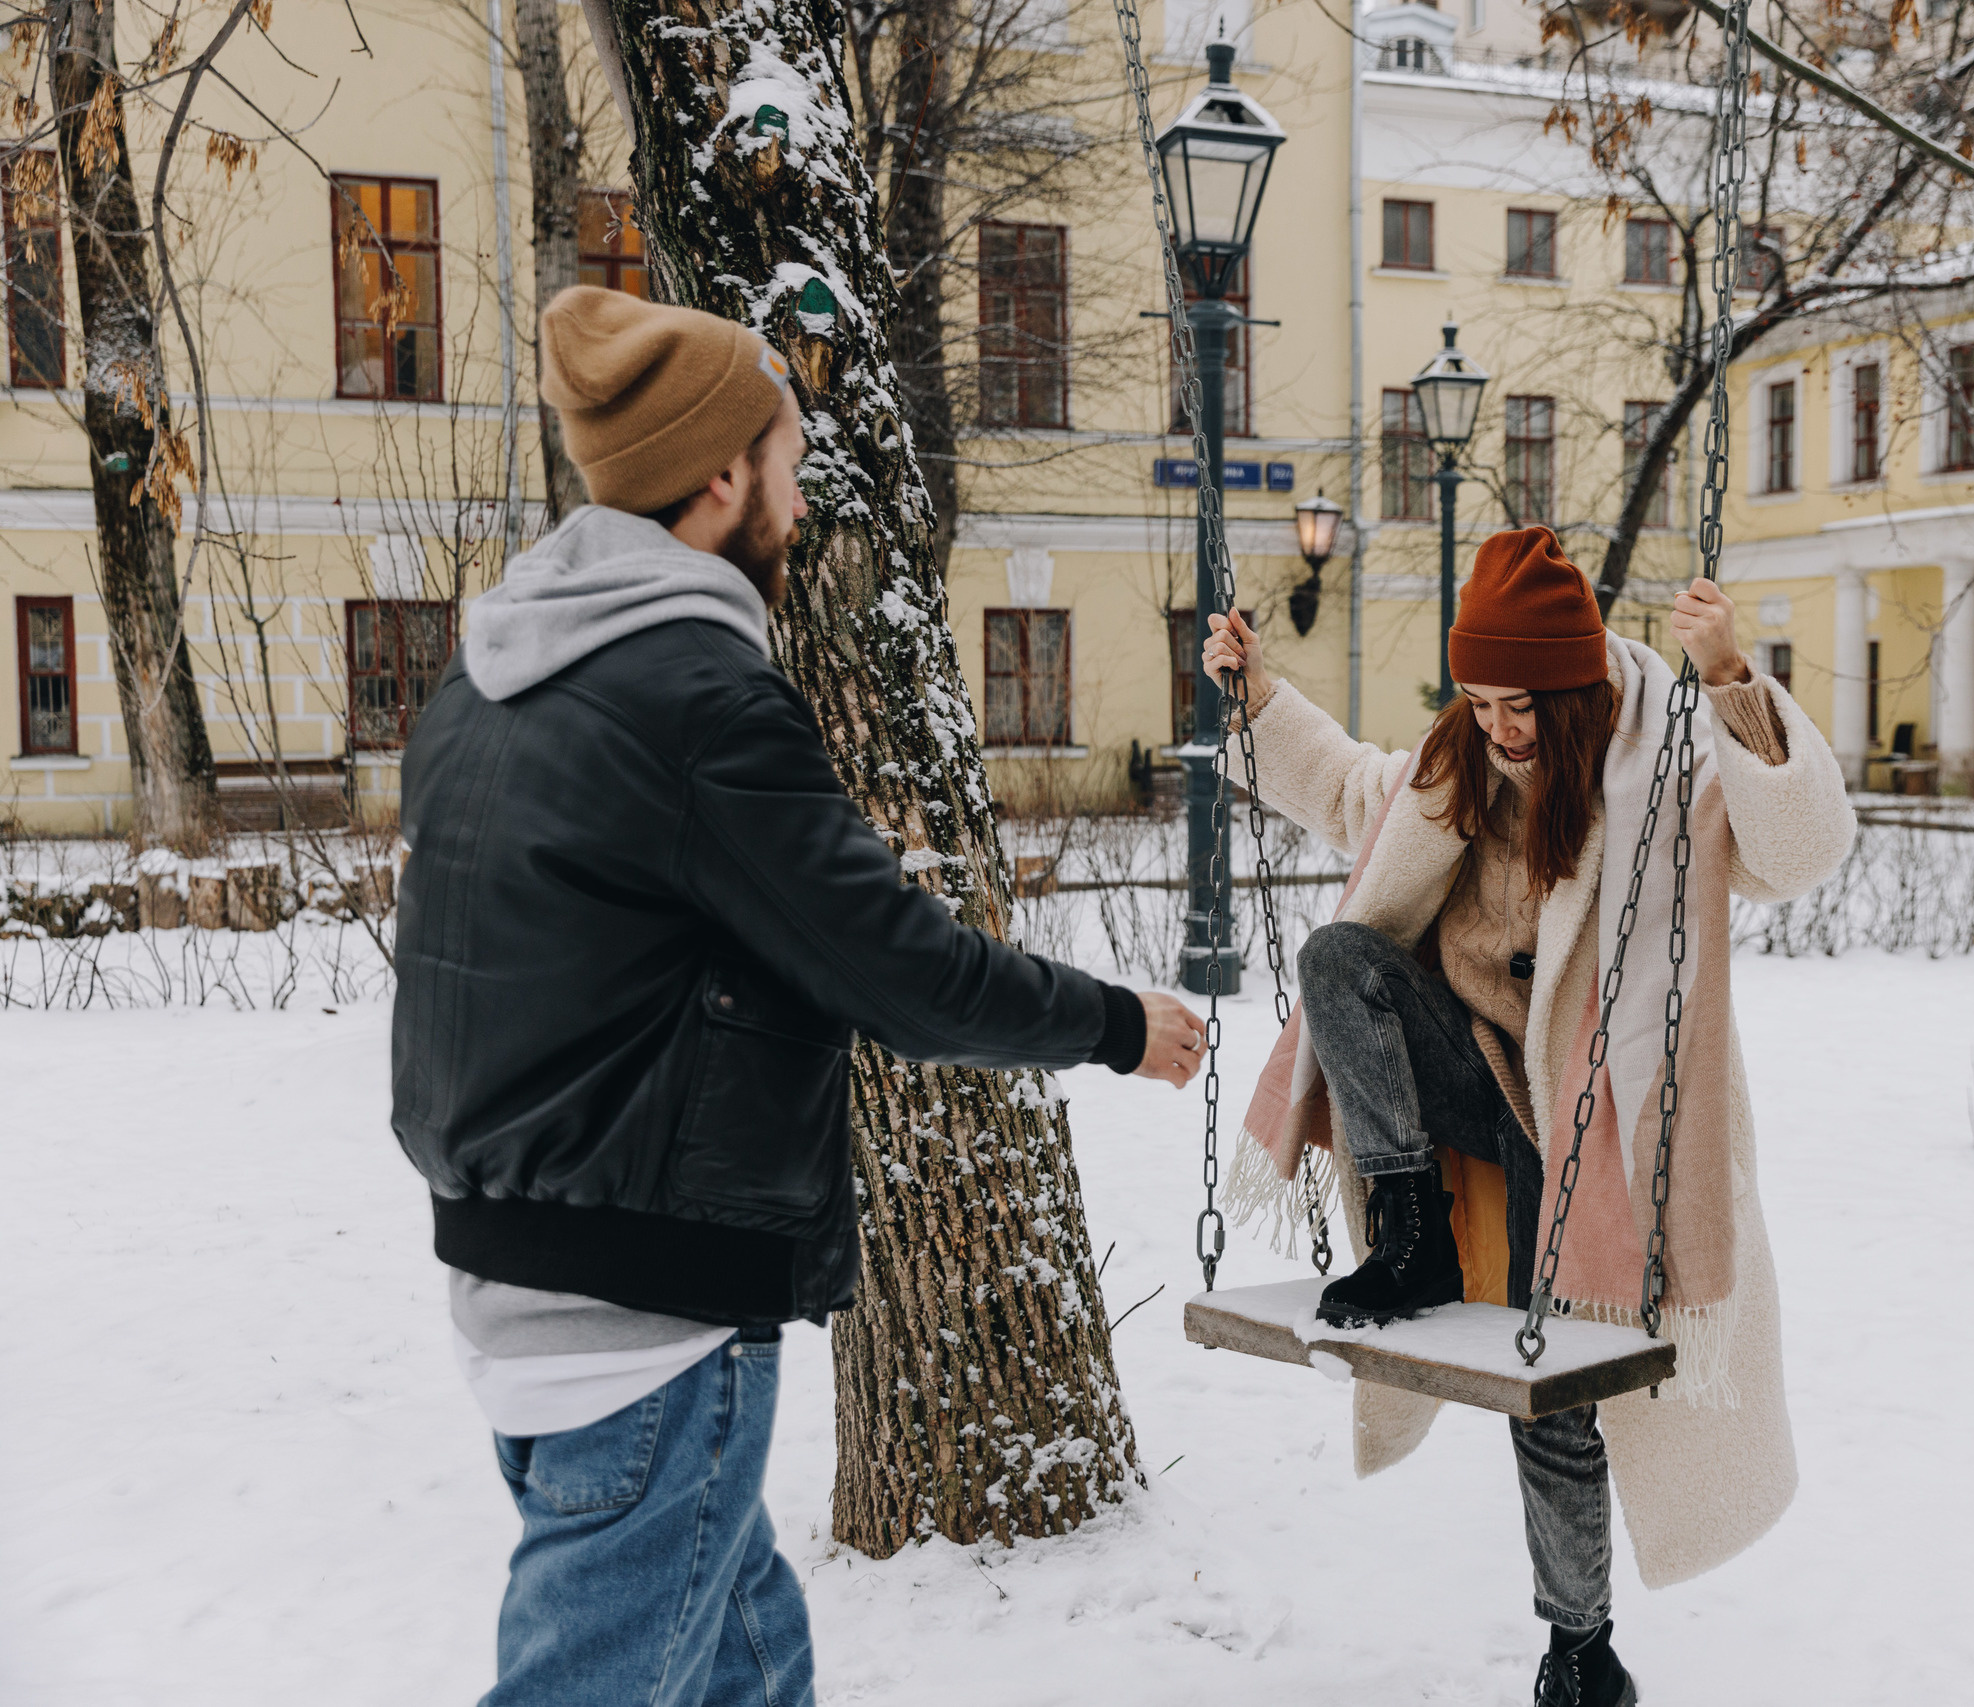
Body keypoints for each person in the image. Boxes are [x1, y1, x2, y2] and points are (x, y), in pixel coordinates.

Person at [393, 286, 1206, 1707]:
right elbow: (899, 968)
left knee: (747, 1664)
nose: (799, 487)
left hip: (515, 1265)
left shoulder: (490, 678)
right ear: (718, 480)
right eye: (784, 456)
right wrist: (1117, 1023)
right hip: (642, 1321)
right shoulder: (695, 694)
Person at [1203, 525, 1855, 1707]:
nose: (1500, 726)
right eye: (1478, 698)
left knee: (1553, 1403)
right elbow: (1350, 785)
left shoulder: (1658, 777)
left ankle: (1578, 1651)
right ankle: (1410, 1237)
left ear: (1571, 690)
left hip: (1596, 1133)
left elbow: (1798, 851)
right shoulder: (1455, 771)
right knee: (1341, 955)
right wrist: (1256, 698)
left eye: (1520, 704)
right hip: (1465, 1105)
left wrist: (1729, 682)